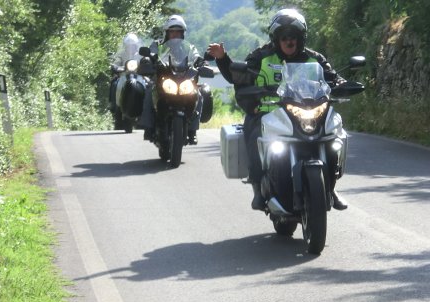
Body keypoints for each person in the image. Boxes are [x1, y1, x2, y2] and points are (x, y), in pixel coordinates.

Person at [207, 8, 348, 211]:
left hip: (308, 112)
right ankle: (258, 187)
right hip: (269, 112)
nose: (289, 41)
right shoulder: (261, 57)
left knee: (332, 138)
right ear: (276, 38)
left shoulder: (314, 58)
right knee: (254, 134)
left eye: (293, 36)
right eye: (284, 37)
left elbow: (332, 77)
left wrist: (342, 83)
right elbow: (238, 76)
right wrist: (223, 59)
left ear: (301, 38)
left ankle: (330, 186)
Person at [141, 14, 205, 145]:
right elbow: (150, 55)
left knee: (199, 93)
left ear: (182, 33)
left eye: (178, 32)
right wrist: (148, 59)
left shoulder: (189, 47)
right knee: (148, 90)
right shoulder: (158, 45)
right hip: (163, 79)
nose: (175, 35)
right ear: (167, 33)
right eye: (172, 32)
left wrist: (201, 62)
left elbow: (196, 57)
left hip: (183, 79)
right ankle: (148, 127)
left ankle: (192, 131)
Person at [109, 33, 142, 129]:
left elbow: (145, 62)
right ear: (125, 46)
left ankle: (149, 107)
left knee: (149, 85)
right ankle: (113, 104)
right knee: (114, 83)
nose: (131, 48)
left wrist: (146, 65)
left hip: (138, 77)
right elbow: (116, 62)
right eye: (129, 46)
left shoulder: (140, 55)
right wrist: (115, 67)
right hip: (124, 76)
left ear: (136, 46)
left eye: (133, 46)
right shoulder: (121, 54)